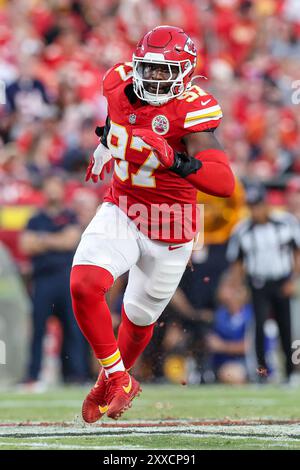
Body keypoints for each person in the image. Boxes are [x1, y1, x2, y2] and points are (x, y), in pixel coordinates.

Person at [70, 25, 235, 422]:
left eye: (165, 72)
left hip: (170, 226)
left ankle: (107, 380)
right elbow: (117, 121)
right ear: (136, 64)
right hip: (123, 208)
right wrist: (105, 145)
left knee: (140, 317)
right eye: (148, 69)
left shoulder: (193, 109)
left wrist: (175, 160)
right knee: (84, 284)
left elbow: (224, 183)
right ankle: (117, 376)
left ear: (186, 72)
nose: (154, 78)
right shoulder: (117, 82)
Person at [227, 181, 300, 382]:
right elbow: (237, 263)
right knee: (258, 328)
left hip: (282, 281)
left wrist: (292, 279)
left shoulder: (285, 222)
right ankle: (262, 374)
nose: (255, 210)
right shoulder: (242, 230)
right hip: (257, 283)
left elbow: (297, 253)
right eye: (251, 205)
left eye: (258, 204)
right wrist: (239, 287)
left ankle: (291, 373)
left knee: (288, 328)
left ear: (266, 204)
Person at [20, 172, 89, 387]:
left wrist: (42, 240)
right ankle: (33, 374)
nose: (52, 190)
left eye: (55, 186)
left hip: (66, 279)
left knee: (73, 328)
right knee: (38, 328)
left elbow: (71, 241)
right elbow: (26, 244)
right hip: (43, 280)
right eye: (49, 186)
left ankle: (76, 374)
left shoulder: (69, 216)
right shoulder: (35, 218)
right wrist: (56, 240)